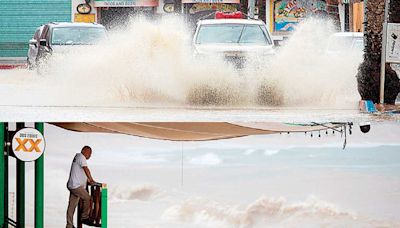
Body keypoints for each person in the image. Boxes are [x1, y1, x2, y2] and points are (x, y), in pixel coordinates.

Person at [66, 146, 96, 228]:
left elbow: (79, 172)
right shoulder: (81, 157)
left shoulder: (78, 157)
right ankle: (84, 217)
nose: (90, 155)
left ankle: (69, 225)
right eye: (88, 152)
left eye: (91, 153)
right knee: (88, 198)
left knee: (72, 206)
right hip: (76, 186)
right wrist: (91, 179)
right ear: (83, 150)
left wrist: (87, 180)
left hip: (73, 185)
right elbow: (86, 169)